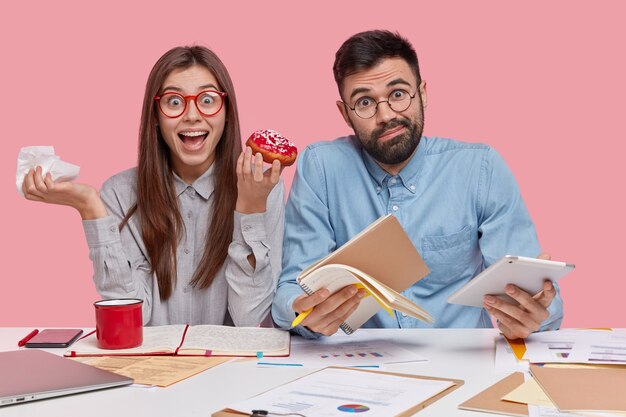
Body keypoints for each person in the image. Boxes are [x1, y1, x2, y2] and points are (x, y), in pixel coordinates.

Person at [272, 30, 563, 339]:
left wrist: (534, 314)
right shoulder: (320, 168)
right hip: (360, 367)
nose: (385, 115)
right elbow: (292, 288)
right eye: (365, 101)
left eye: (398, 94)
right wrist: (303, 311)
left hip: (467, 366)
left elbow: (535, 299)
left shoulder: (481, 169)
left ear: (422, 93)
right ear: (345, 114)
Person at [22, 46, 285, 327]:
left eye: (207, 100)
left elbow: (250, 320)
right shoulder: (120, 194)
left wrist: (249, 210)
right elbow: (130, 320)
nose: (192, 115)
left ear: (227, 112)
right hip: (153, 368)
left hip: (230, 368)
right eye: (174, 102)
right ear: (156, 117)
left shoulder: (263, 187)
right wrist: (89, 207)